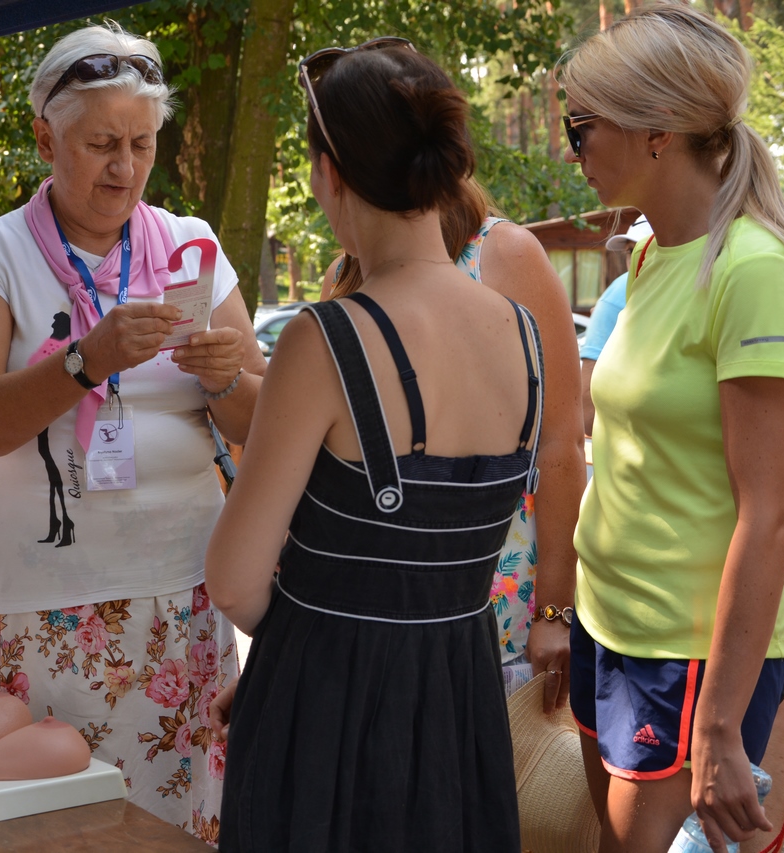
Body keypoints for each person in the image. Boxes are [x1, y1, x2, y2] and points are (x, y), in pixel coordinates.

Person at [0, 24, 266, 842]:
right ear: (46, 137)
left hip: (184, 594)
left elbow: (263, 423)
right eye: (101, 144)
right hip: (53, 599)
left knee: (177, 821)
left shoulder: (192, 248)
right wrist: (86, 360)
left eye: (142, 144)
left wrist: (224, 374)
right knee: (60, 821)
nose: (125, 169)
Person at [205, 39, 541, 851]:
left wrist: (304, 640)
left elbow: (234, 577)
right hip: (462, 697)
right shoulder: (524, 331)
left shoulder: (327, 337)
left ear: (330, 172)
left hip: (324, 705)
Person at [558, 5, 784, 851]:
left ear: (658, 132)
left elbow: (770, 515)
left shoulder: (753, 272)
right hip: (608, 621)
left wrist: (718, 724)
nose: (571, 151)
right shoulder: (652, 256)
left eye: (580, 127)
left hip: (684, 652)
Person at [319, 189, 585, 713]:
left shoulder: (503, 253)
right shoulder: (346, 272)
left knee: (483, 788)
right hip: (367, 604)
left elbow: (560, 441)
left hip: (488, 604)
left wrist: (554, 612)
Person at [580, 215, 652, 435]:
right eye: (631, 252)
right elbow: (587, 411)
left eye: (648, 250)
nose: (637, 260)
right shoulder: (620, 292)